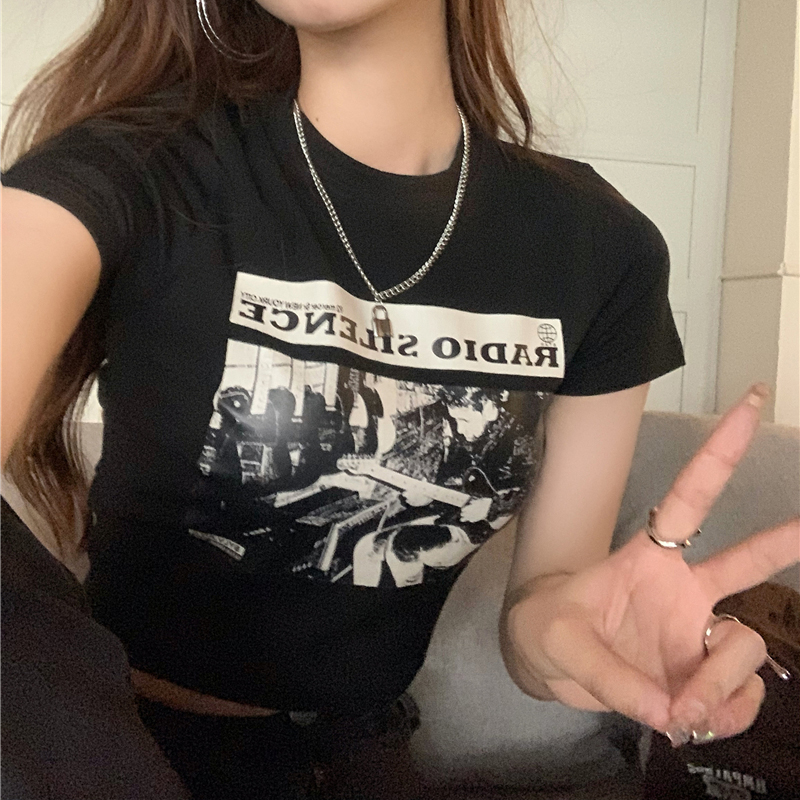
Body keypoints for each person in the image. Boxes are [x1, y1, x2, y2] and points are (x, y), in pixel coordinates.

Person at [2, 0, 797, 797]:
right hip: (124, 750)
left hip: (365, 756)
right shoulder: (131, 172)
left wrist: (579, 634)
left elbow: (543, 608)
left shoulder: (603, 246)